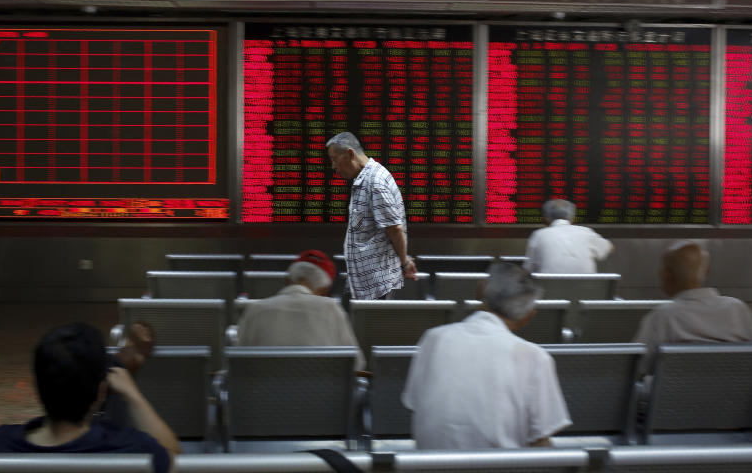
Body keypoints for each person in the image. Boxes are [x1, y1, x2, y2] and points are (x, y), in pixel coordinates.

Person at [401, 262, 571, 449]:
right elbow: (541, 438)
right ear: (528, 317)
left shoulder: (433, 338)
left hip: (425, 465)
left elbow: (414, 403)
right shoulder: (535, 357)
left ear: (479, 291)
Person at [0, 322, 179, 473]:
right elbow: (175, 459)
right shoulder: (130, 448)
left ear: (38, 387)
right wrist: (134, 395)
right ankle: (120, 364)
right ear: (101, 393)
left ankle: (121, 360)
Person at [237, 249, 365, 370]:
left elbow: (236, 363)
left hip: (263, 392)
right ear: (325, 289)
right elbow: (356, 364)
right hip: (320, 393)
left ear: (287, 280)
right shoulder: (332, 309)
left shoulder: (255, 310)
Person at [326, 132, 417, 300]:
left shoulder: (375, 183)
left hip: (377, 286)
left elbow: (395, 229)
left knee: (372, 325)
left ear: (350, 154)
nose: (333, 166)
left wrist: (405, 263)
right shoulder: (364, 179)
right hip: (366, 284)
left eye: (334, 158)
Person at [634, 241, 752, 355]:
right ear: (705, 271)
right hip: (735, 382)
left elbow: (639, 366)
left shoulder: (662, 317)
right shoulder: (737, 309)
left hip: (679, 382)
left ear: (666, 275)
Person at [524, 199, 613, 273]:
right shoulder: (586, 232)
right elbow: (609, 248)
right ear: (572, 218)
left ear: (545, 219)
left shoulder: (538, 235)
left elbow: (528, 269)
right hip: (586, 293)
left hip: (550, 293)